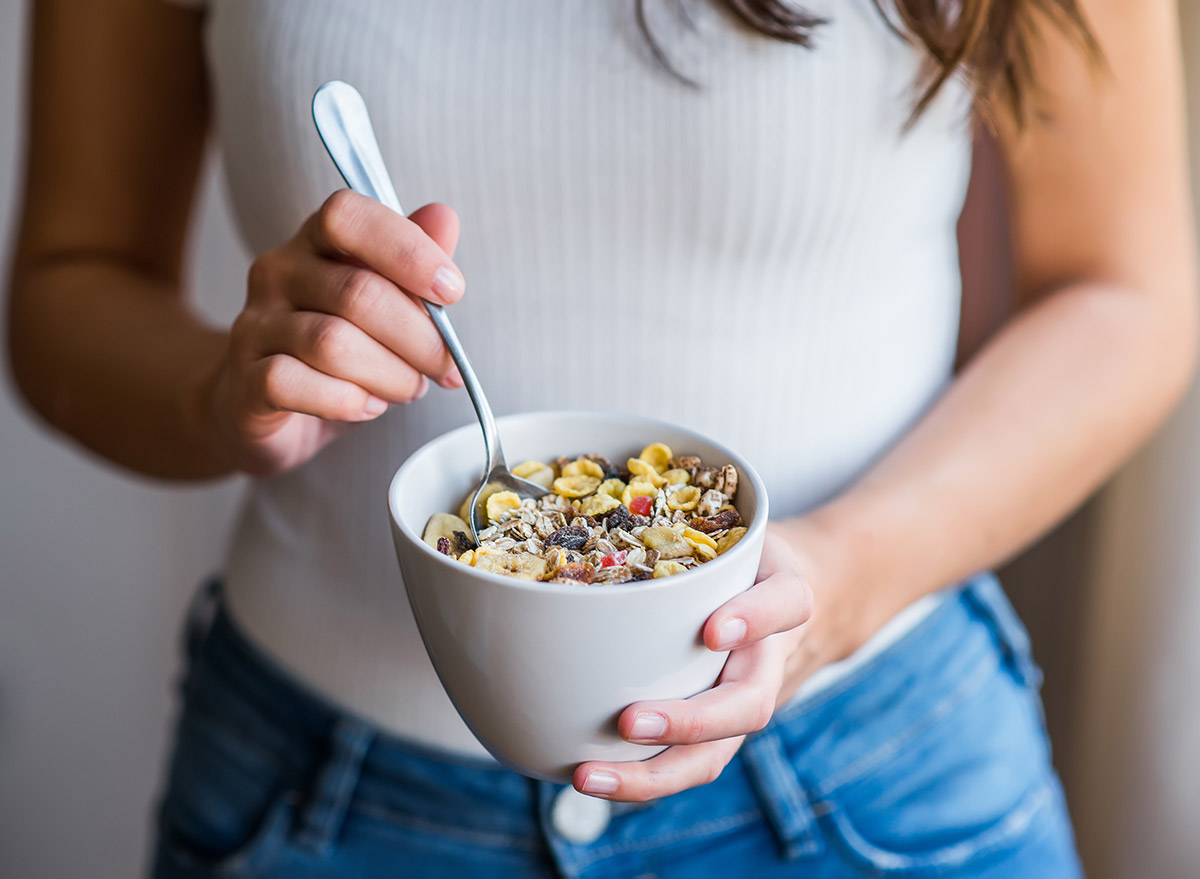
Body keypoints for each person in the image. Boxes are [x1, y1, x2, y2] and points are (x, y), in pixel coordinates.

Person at [7, 0, 1196, 876]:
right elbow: (72, 281)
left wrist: (840, 576)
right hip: (329, 804)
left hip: (870, 781)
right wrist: (223, 392)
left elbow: (1125, 288)